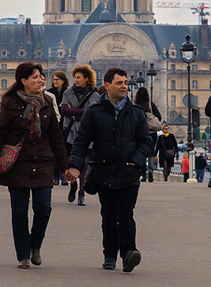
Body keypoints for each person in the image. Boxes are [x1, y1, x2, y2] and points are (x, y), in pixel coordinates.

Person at [69, 66, 154, 272]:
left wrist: (136, 161)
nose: (124, 86)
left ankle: (128, 252)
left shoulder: (136, 113)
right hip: (104, 171)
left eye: (125, 82)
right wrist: (75, 165)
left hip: (128, 172)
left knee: (125, 213)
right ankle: (109, 254)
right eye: (119, 83)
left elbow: (146, 142)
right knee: (108, 215)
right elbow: (81, 141)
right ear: (107, 86)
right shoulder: (94, 113)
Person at [0, 61, 70, 267]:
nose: (40, 80)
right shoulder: (10, 102)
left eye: (41, 76)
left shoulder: (48, 102)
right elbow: (0, 130)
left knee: (44, 208)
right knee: (19, 212)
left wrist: (66, 166)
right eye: (35, 77)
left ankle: (35, 245)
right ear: (23, 81)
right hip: (18, 163)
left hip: (42, 162)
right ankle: (23, 254)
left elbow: (56, 137)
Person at [59, 64, 99, 206]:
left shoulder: (95, 95)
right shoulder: (67, 93)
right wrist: (81, 113)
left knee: (85, 164)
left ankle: (81, 192)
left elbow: (92, 114)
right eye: (75, 77)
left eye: (79, 77)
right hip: (70, 133)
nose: (76, 80)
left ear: (87, 79)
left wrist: (74, 112)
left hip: (87, 134)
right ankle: (73, 184)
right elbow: (64, 111)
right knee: (71, 162)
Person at [134, 86, 163, 181]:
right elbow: (159, 116)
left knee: (141, 152)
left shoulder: (135, 105)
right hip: (152, 132)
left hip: (140, 133)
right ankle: (150, 171)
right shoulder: (150, 105)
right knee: (151, 153)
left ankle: (143, 174)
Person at [48, 71, 70, 183]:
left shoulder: (68, 92)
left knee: (64, 151)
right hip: (53, 124)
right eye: (54, 79)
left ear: (63, 80)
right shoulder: (49, 93)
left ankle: (63, 175)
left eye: (57, 79)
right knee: (54, 151)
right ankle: (55, 176)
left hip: (66, 125)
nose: (55, 82)